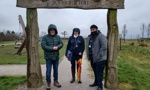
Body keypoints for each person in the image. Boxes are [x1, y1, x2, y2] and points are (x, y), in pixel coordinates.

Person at [41, 24, 63, 89]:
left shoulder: (58, 37)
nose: (52, 31)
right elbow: (43, 46)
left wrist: (58, 47)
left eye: (53, 30)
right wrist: (52, 48)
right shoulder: (45, 37)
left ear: (55, 30)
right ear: (49, 30)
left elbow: (61, 43)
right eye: (51, 30)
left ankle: (55, 81)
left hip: (56, 57)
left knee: (56, 70)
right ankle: (48, 82)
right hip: (48, 58)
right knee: (48, 71)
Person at [86, 25, 107, 90]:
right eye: (91, 29)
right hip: (93, 58)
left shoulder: (101, 36)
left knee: (99, 73)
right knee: (95, 71)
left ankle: (100, 86)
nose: (92, 30)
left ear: (97, 29)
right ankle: (96, 82)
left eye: (94, 29)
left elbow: (104, 46)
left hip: (100, 59)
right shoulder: (90, 37)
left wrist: (99, 55)